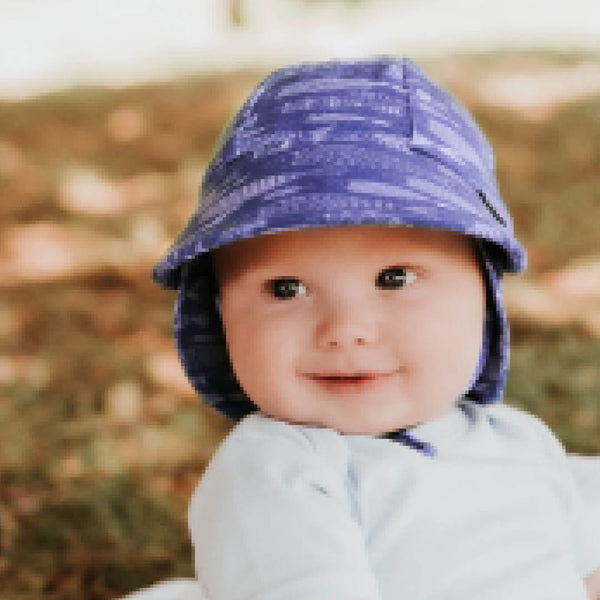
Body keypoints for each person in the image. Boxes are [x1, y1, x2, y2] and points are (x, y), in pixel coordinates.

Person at [152, 56, 600, 599]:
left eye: (394, 278)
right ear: (221, 314)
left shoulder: (519, 442)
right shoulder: (280, 469)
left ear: (483, 294)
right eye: (286, 289)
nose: (345, 330)